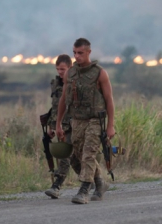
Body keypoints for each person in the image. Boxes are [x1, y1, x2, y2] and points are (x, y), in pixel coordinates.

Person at [56, 38, 116, 204]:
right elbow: (63, 99)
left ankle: (84, 190)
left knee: (89, 153)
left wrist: (110, 125)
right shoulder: (71, 73)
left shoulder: (99, 73)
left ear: (89, 52)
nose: (77, 56)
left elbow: (109, 100)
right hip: (77, 120)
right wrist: (58, 123)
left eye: (80, 53)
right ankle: (99, 183)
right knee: (77, 156)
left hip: (95, 120)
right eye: (74, 53)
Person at [45, 54, 81, 199]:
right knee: (73, 159)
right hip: (59, 125)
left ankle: (57, 185)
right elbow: (54, 107)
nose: (60, 72)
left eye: (63, 69)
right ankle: (94, 181)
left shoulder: (76, 83)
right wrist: (51, 126)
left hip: (73, 125)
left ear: (70, 68)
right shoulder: (55, 83)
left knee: (65, 155)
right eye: (58, 69)